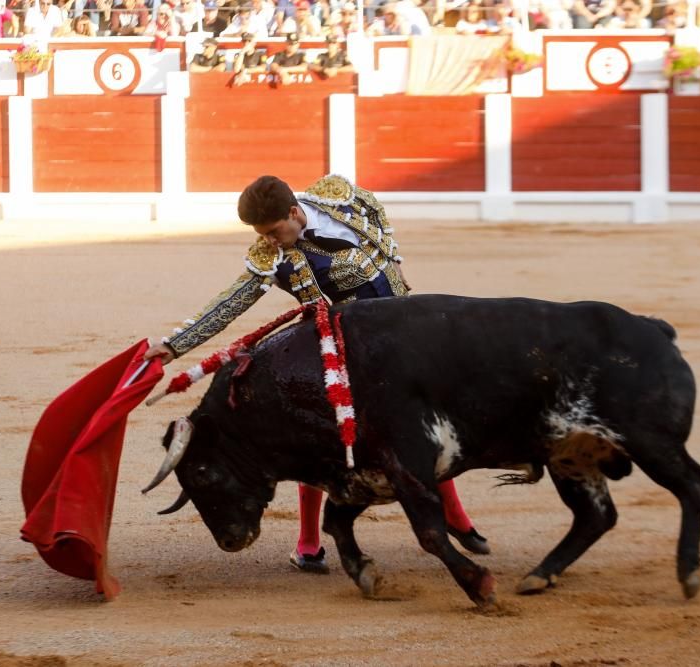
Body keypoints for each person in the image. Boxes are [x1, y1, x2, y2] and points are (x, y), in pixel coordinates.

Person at [144, 174, 491, 574]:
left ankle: (456, 516)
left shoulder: (343, 199)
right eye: (264, 235)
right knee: (316, 435)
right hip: (348, 353)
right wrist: (174, 345)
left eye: (275, 231)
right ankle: (308, 542)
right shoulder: (273, 258)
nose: (271, 241)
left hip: (407, 337)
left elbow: (382, 232)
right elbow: (228, 304)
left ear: (294, 211)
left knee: (429, 421)